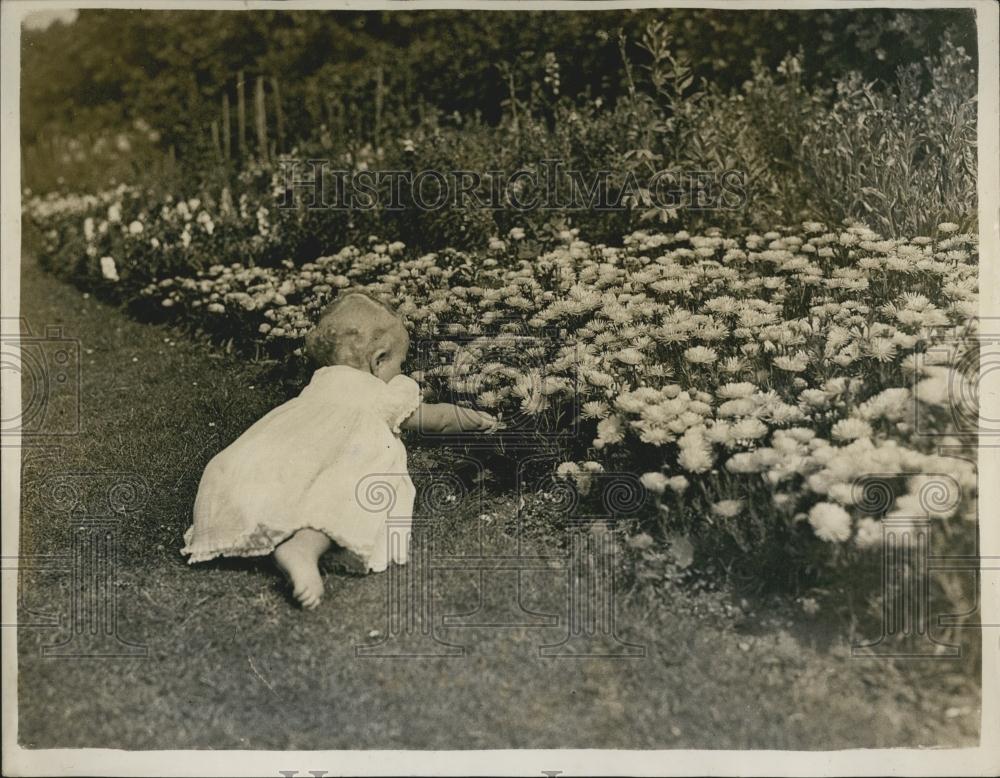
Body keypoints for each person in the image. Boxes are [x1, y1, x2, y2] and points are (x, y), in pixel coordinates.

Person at [181, 293, 498, 608]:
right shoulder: (381, 393)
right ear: (379, 360)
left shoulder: (320, 381)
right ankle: (304, 546)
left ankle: (265, 530)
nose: (402, 371)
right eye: (401, 363)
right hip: (338, 459)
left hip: (272, 456)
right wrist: (477, 419)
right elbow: (437, 420)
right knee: (349, 488)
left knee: (287, 486)